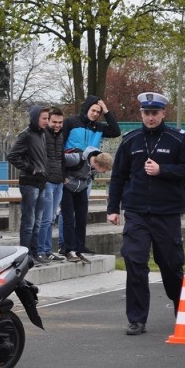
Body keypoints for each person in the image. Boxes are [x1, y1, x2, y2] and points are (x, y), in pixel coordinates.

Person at [107, 92, 185, 336]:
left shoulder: (178, 139)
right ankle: (137, 319)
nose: (150, 118)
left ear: (163, 113)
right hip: (137, 212)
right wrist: (113, 209)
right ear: (141, 114)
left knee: (170, 265)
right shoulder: (131, 140)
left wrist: (163, 170)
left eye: (154, 113)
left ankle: (182, 307)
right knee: (134, 261)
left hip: (167, 212)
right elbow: (118, 177)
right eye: (146, 113)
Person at [60, 95, 120, 255]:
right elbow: (60, 146)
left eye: (98, 112)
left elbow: (115, 131)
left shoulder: (99, 127)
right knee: (67, 213)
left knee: (81, 213)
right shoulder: (71, 122)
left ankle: (80, 245)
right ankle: (64, 244)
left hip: (87, 174)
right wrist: (62, 174)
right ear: (86, 109)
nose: (95, 114)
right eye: (93, 110)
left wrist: (106, 110)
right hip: (71, 168)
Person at [7, 105, 51, 260]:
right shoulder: (26, 135)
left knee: (37, 221)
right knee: (29, 221)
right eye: (44, 118)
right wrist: (30, 168)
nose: (47, 121)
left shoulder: (42, 134)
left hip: (41, 182)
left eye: (47, 118)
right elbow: (12, 156)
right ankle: (25, 254)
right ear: (35, 118)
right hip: (29, 182)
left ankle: (34, 252)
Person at [61, 147, 113, 263]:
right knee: (68, 219)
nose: (104, 172)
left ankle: (79, 248)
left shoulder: (95, 166)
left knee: (82, 219)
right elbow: (59, 160)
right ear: (97, 164)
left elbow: (89, 175)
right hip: (67, 189)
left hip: (81, 189)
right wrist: (64, 179)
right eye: (104, 170)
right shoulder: (77, 159)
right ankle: (70, 250)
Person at [35, 107, 66, 264]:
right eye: (54, 122)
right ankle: (40, 250)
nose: (57, 125)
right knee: (45, 219)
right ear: (48, 121)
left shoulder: (60, 135)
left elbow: (61, 157)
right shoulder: (42, 135)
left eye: (60, 122)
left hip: (59, 181)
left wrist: (64, 176)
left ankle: (48, 250)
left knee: (52, 218)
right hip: (47, 181)